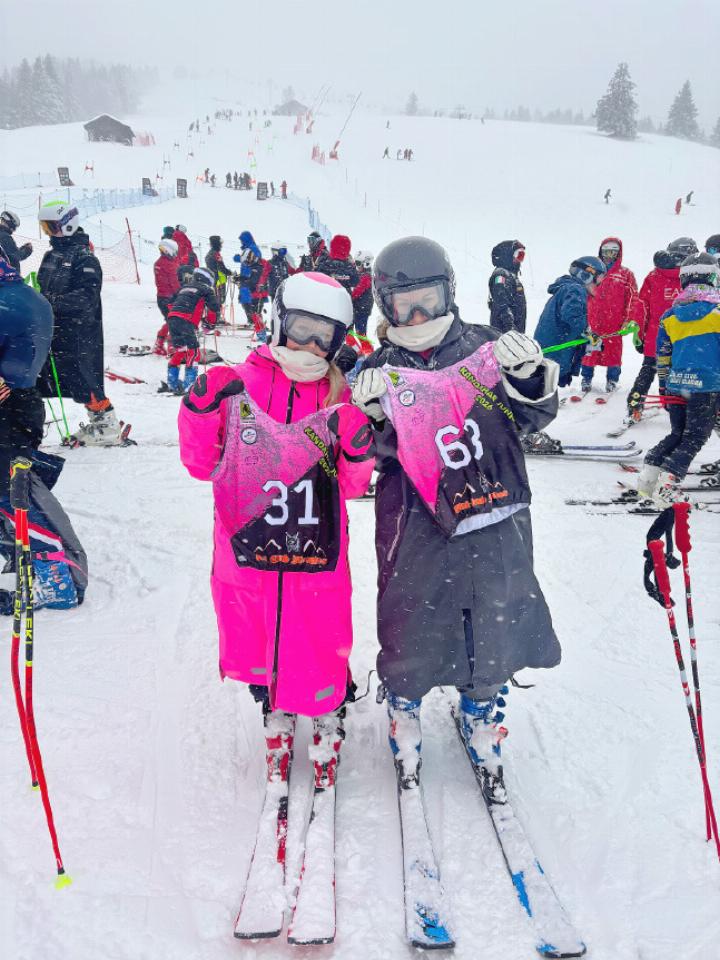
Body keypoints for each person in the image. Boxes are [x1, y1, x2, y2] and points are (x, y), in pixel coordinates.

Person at [351, 236, 560, 793]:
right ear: (384, 306)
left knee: (495, 606)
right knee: (411, 612)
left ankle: (483, 704)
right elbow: (364, 457)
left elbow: (534, 416)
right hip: (415, 520)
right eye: (404, 305)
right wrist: (371, 419)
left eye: (428, 299)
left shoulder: (486, 347)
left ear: (449, 293)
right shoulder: (376, 368)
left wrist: (527, 377)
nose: (418, 316)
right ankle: (404, 702)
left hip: (494, 514)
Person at [177, 271, 374, 789]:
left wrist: (357, 446)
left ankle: (327, 716)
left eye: (323, 337)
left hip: (315, 550)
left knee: (319, 640)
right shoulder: (241, 381)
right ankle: (274, 714)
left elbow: (352, 487)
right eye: (301, 329)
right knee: (261, 640)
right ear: (278, 322)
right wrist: (199, 408)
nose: (309, 346)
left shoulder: (339, 392)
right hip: (249, 550)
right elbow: (201, 464)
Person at [0, 252, 88, 611]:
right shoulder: (18, 294)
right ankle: (17, 554)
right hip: (19, 407)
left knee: (12, 491)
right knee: (11, 490)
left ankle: (58, 578)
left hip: (10, 412)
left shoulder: (10, 303)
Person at [36, 201, 124, 445]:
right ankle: (96, 423)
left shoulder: (85, 258)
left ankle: (107, 427)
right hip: (54, 329)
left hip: (80, 331)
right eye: (45, 227)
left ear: (67, 224)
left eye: (52, 226)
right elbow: (43, 287)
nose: (49, 232)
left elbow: (87, 297)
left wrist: (50, 301)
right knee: (62, 378)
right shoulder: (51, 255)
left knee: (85, 378)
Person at [637, 253, 720, 506]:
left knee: (678, 433)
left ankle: (649, 479)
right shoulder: (717, 313)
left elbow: (663, 355)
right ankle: (668, 486)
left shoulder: (671, 316)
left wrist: (664, 386)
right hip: (707, 386)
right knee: (695, 436)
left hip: (677, 384)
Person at [628, 237, 697, 421]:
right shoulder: (693, 278)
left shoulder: (654, 276)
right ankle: (677, 407)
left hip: (655, 337)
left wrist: (640, 333)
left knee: (648, 370)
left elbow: (642, 307)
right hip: (684, 339)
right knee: (681, 375)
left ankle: (634, 406)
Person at [580, 238, 642, 393]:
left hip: (614, 321)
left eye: (613, 252)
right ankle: (586, 378)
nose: (608, 255)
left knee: (613, 352)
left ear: (618, 253)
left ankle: (612, 380)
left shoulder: (625, 274)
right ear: (600, 252)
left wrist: (629, 319)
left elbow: (634, 298)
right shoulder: (592, 271)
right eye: (605, 251)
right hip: (593, 320)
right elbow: (581, 293)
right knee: (590, 351)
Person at [534, 255, 607, 387]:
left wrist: (586, 341)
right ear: (587, 275)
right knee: (546, 385)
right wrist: (588, 333)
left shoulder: (568, 288)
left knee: (545, 383)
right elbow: (572, 316)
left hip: (552, 347)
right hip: (555, 349)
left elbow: (571, 322)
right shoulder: (575, 289)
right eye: (599, 278)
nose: (599, 284)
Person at [161, 267, 219, 395]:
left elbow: (171, 303)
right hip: (186, 320)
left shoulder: (184, 287)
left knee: (181, 350)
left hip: (172, 319)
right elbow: (214, 308)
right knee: (194, 353)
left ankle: (173, 383)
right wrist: (210, 323)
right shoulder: (206, 289)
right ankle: (190, 386)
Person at [234, 231, 271, 342]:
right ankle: (256, 326)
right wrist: (241, 278)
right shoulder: (248, 250)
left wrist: (243, 278)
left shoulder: (252, 250)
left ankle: (259, 330)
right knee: (251, 307)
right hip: (250, 283)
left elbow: (253, 268)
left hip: (253, 286)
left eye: (242, 240)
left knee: (252, 308)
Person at [487, 240, 526, 334]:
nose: (519, 260)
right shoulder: (501, 274)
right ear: (508, 255)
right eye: (518, 255)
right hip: (506, 334)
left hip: (514, 334)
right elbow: (501, 304)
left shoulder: (511, 276)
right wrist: (510, 329)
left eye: (522, 256)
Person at [153, 238, 180, 355]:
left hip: (161, 297)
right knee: (174, 322)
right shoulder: (169, 264)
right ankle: (171, 346)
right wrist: (180, 294)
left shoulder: (158, 263)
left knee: (170, 321)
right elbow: (174, 283)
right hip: (169, 297)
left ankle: (159, 343)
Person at [204, 235, 231, 306]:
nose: (221, 245)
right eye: (220, 243)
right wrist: (230, 273)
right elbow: (221, 268)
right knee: (219, 301)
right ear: (217, 243)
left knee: (215, 300)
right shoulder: (216, 254)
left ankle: (216, 314)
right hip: (219, 281)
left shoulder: (209, 254)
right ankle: (217, 315)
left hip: (212, 280)